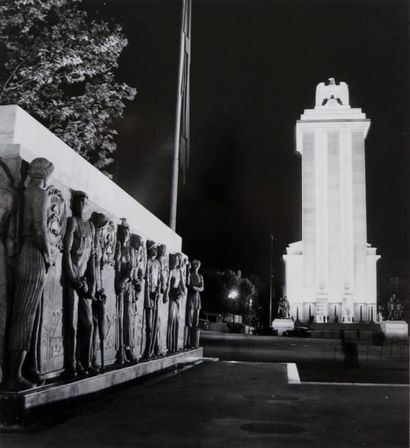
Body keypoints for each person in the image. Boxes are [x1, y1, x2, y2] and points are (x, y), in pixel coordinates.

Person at [6, 158, 54, 390]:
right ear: (45, 174)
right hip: (33, 253)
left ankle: (22, 370)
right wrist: (48, 255)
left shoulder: (25, 192)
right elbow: (39, 228)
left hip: (21, 252)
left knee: (23, 314)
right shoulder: (40, 193)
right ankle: (14, 376)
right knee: (25, 316)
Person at [62, 190, 96, 377]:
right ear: (72, 203)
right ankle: (71, 365)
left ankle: (85, 361)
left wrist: (92, 284)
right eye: (77, 201)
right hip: (72, 280)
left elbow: (92, 259)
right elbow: (66, 252)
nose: (80, 205)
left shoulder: (90, 226)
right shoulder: (72, 222)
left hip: (84, 282)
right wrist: (73, 279)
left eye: (83, 202)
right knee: (71, 325)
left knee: (88, 324)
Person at [185, 259, 204, 349]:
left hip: (197, 299)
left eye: (198, 264)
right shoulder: (189, 274)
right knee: (189, 320)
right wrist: (194, 287)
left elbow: (202, 287)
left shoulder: (200, 276)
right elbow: (188, 284)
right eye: (195, 264)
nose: (196, 266)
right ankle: (187, 342)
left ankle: (194, 342)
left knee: (195, 321)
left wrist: (196, 288)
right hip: (191, 298)